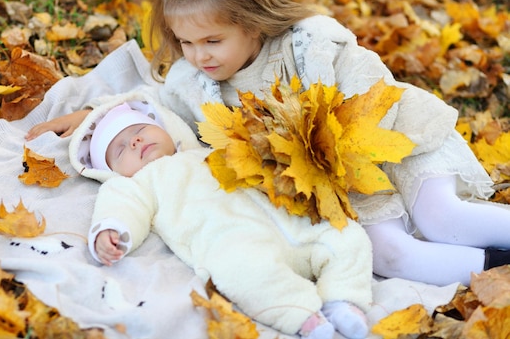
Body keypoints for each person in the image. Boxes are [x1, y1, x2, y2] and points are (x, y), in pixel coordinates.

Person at [27, 0, 510, 287]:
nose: (200, 56)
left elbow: (372, 92)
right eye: (186, 43)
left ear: (253, 22)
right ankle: (497, 271)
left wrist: (346, 149)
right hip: (339, 185)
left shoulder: (310, 44)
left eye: (213, 41)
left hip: (395, 139)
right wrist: (97, 112)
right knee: (386, 255)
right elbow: (155, 110)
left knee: (441, 216)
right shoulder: (193, 84)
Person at [67, 90, 374, 339]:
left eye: (139, 130)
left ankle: (343, 299)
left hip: (285, 218)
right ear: (112, 171)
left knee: (345, 235)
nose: (134, 141)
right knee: (243, 272)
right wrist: (112, 230)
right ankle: (303, 315)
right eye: (120, 149)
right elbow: (122, 208)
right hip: (231, 239)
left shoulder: (203, 151)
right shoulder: (137, 184)